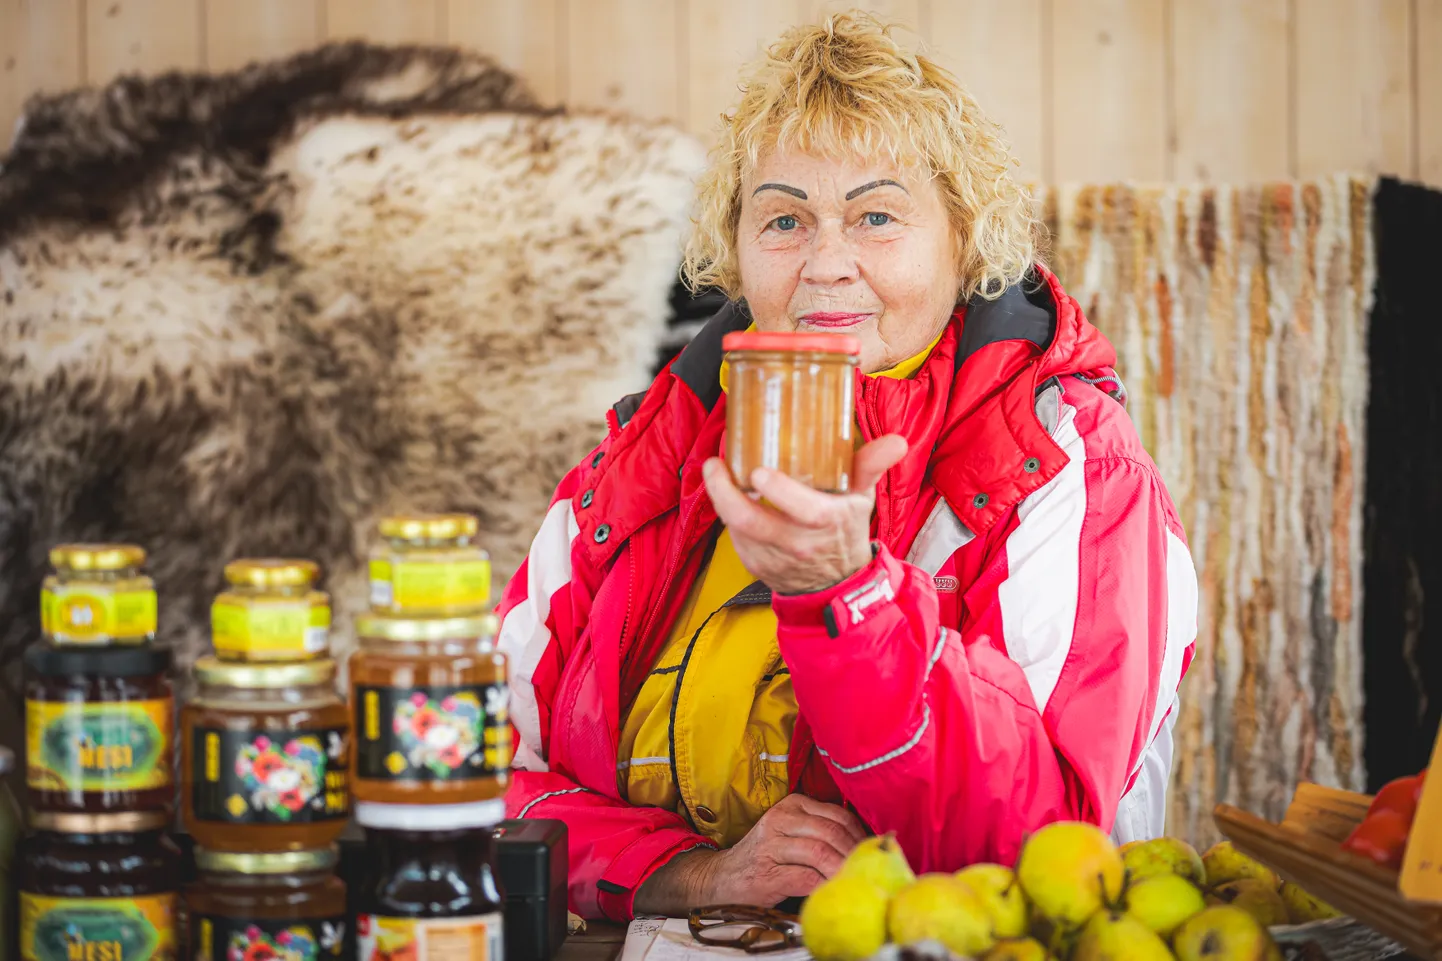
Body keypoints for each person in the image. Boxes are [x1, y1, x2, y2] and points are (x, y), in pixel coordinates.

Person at [497, 12, 1198, 921]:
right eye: (784, 218)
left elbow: (1046, 850)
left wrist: (845, 598)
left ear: (964, 238)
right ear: (736, 248)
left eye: (875, 215)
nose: (828, 264)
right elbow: (467, 779)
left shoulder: (1075, 471)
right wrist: (687, 872)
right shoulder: (635, 463)